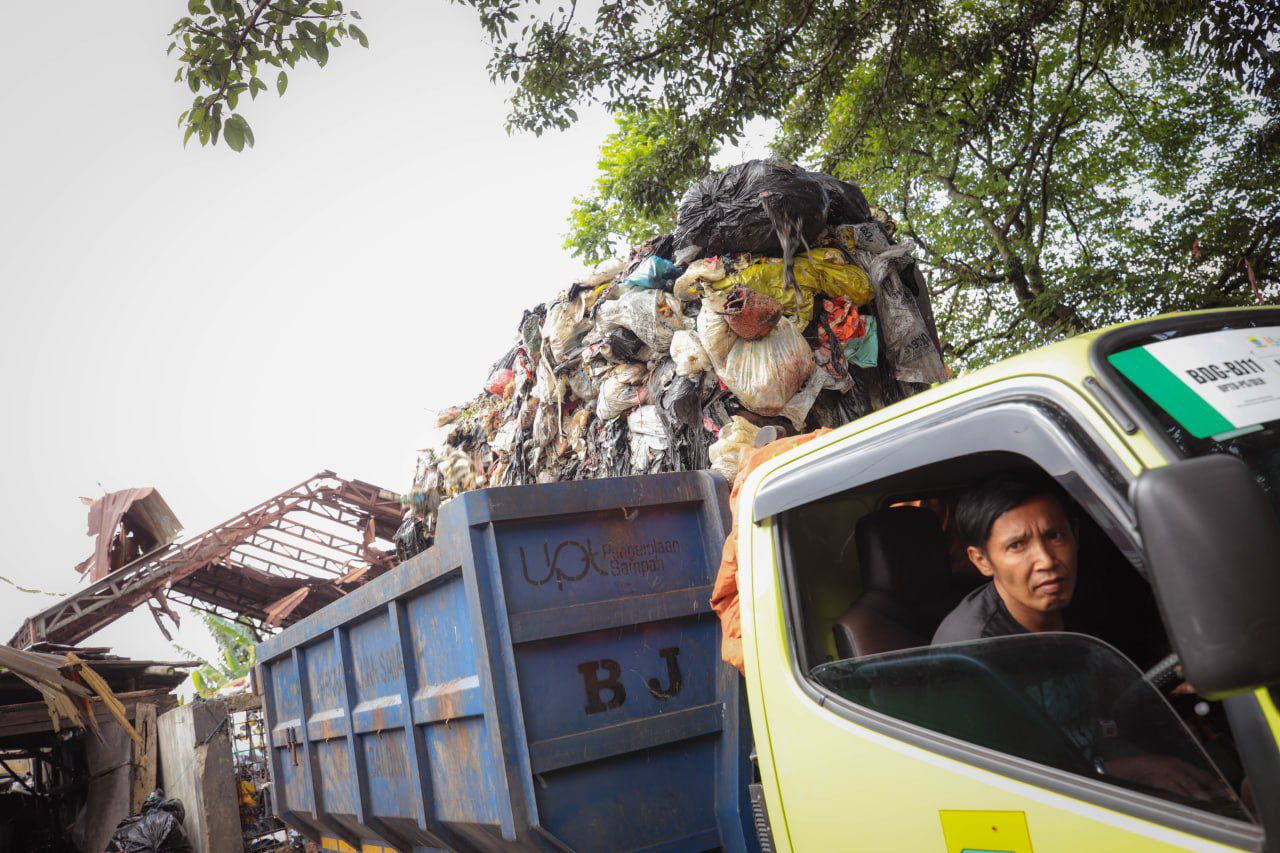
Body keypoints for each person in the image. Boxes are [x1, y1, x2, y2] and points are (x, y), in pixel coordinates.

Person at [932, 473, 1078, 644]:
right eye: (1016, 545)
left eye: (1055, 536)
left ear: (1075, 535)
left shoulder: (1096, 596)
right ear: (981, 561)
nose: (1046, 561)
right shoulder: (972, 648)